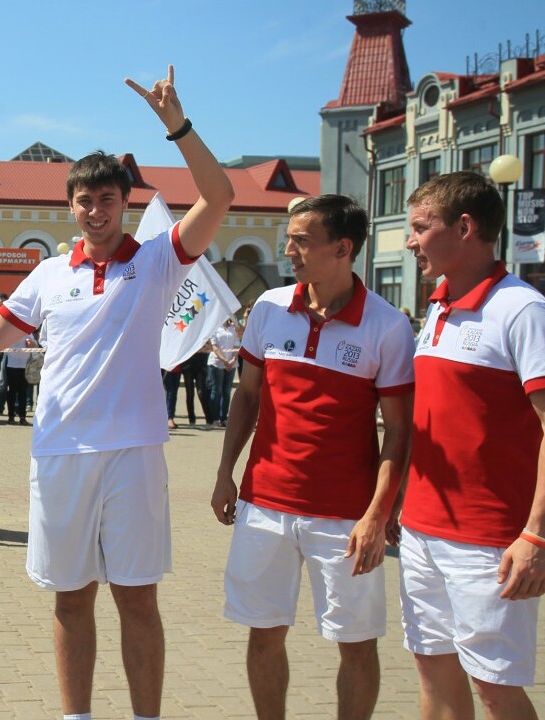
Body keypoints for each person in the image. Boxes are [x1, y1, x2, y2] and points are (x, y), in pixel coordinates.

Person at [0, 66, 234, 720]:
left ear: (125, 203)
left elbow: (218, 196)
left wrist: (177, 126)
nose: (95, 211)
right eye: (84, 200)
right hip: (60, 454)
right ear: (70, 207)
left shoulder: (157, 259)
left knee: (137, 600)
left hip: (133, 453)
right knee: (71, 599)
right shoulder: (48, 275)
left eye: (107, 199)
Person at [211, 194, 415, 720]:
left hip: (346, 516)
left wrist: (379, 513)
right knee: (264, 632)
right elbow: (248, 397)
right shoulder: (270, 308)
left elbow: (398, 431)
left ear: (343, 248)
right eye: (289, 239)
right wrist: (225, 473)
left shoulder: (388, 326)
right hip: (264, 505)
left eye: (302, 241)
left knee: (356, 642)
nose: (289, 251)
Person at [399, 171, 545, 718]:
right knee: (434, 673)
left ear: (464, 227)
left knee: (494, 688)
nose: (410, 241)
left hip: (490, 542)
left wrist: (536, 535)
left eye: (421, 227)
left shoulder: (522, 309)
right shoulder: (438, 305)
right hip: (420, 531)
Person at [205, 318, 240, 428]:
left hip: (231, 363)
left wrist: (232, 360)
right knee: (217, 390)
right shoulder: (214, 328)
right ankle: (215, 418)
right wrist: (224, 361)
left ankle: (224, 418)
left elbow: (237, 345)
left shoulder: (233, 328)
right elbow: (215, 347)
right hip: (217, 363)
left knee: (227, 391)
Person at [3, 334, 38, 425]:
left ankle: (22, 417)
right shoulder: (11, 331)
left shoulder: (28, 332)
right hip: (12, 365)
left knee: (23, 392)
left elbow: (34, 346)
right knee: (12, 392)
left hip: (25, 366)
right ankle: (11, 417)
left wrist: (30, 343)